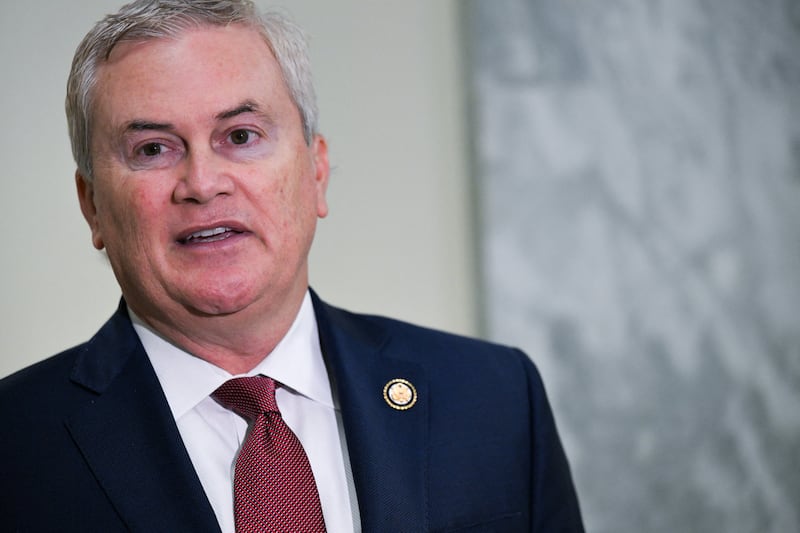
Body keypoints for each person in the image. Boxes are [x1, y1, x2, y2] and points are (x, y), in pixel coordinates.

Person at [0, 1, 584, 531]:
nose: (202, 184)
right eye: (153, 148)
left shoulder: (496, 399)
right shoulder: (15, 446)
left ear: (317, 171)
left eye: (241, 135)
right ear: (92, 206)